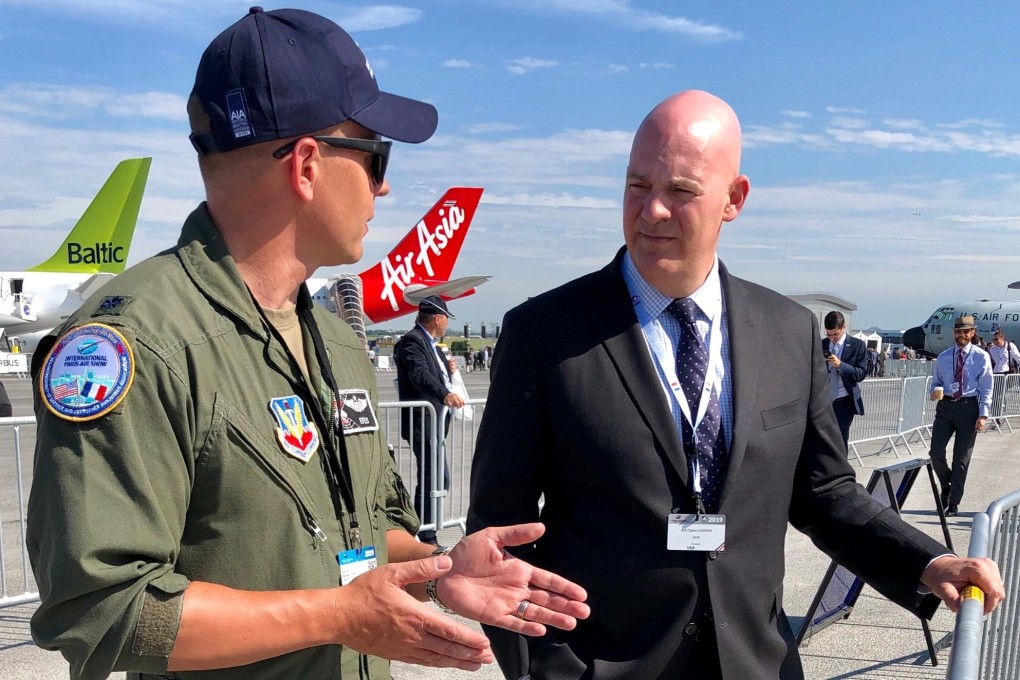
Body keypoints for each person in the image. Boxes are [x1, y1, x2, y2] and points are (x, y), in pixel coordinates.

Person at [25, 9, 588, 680]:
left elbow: (362, 527)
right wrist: (336, 615)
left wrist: (438, 573)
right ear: (307, 165)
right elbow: (103, 611)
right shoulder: (136, 346)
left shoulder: (335, 342)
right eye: (376, 156)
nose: (384, 186)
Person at [467, 90, 1004, 680]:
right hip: (603, 664)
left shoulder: (785, 331)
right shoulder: (545, 334)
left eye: (681, 191)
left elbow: (824, 493)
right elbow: (499, 532)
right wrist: (540, 669)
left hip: (756, 661)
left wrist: (930, 563)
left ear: (734, 199)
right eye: (638, 186)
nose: (652, 211)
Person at [394, 295, 463, 546]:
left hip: (433, 421)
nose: (447, 324)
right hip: (421, 421)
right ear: (437, 318)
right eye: (446, 319)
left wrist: (449, 371)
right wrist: (445, 394)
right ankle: (425, 533)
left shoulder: (431, 343)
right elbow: (419, 374)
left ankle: (422, 528)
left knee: (436, 477)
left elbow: (434, 372)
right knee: (433, 477)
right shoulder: (413, 341)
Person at [928, 315, 993, 517]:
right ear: (954, 333)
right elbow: (936, 381)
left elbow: (987, 388)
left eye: (966, 331)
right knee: (935, 452)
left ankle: (953, 502)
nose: (962, 335)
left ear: (973, 332)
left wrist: (983, 415)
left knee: (961, 460)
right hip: (946, 407)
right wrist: (934, 390)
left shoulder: (981, 357)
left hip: (968, 407)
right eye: (958, 331)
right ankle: (947, 483)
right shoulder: (944, 357)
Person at [822, 311, 868, 450]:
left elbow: (860, 374)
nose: (832, 338)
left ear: (843, 328)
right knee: (821, 440)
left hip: (844, 399)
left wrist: (840, 365)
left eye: (835, 334)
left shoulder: (857, 345)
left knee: (840, 439)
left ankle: (840, 470)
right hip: (823, 400)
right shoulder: (821, 344)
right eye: (828, 334)